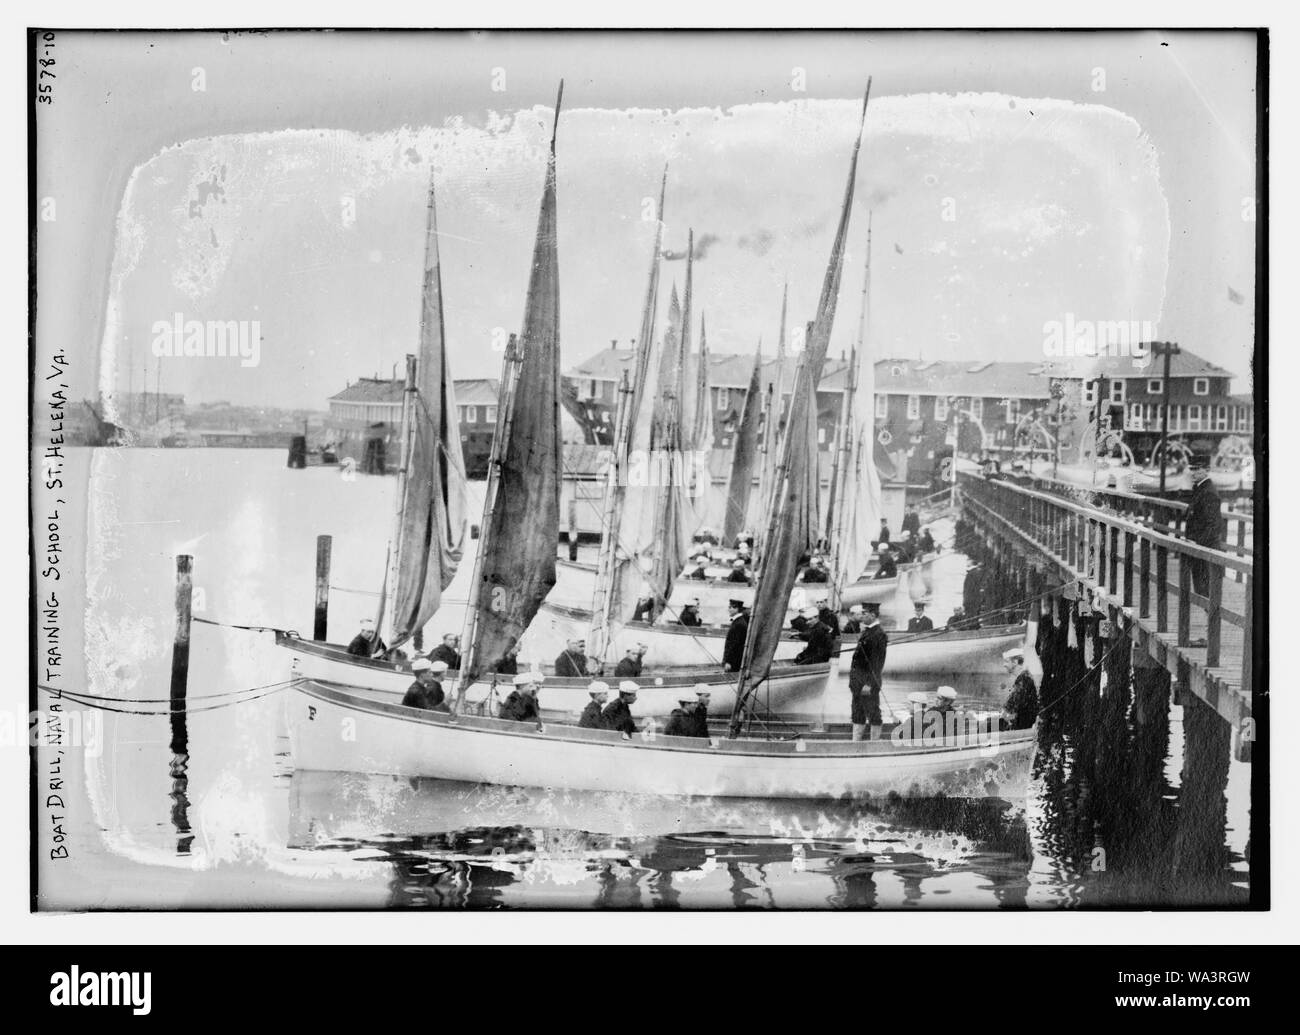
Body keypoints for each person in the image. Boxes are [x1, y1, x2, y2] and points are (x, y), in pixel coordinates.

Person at [847, 602, 887, 741]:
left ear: (873, 615)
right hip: (858, 682)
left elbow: (877, 663)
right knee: (857, 712)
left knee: (873, 712)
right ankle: (856, 743)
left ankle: (873, 743)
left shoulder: (878, 634)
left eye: (864, 613)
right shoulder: (869, 631)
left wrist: (869, 684)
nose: (862, 615)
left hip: (867, 683)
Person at [1184, 464, 1224, 597]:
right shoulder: (1200, 488)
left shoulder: (1208, 492)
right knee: (1201, 589)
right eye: (1192, 469)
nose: (1193, 473)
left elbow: (1213, 524)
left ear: (1207, 471)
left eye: (1197, 469)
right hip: (1198, 544)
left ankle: (1211, 615)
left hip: (1206, 546)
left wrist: (1198, 543)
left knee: (1206, 590)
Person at [1000, 647, 1038, 730]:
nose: (1004, 665)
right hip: (1020, 722)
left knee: (985, 726)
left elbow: (1010, 706)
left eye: (1006, 661)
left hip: (1020, 726)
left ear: (1015, 662)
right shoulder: (1024, 677)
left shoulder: (1024, 679)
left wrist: (1003, 713)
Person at [722, 599, 748, 672]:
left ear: (736, 609)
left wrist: (728, 661)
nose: (728, 609)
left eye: (730, 607)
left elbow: (734, 645)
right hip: (735, 661)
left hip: (733, 663)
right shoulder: (739, 621)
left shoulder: (739, 624)